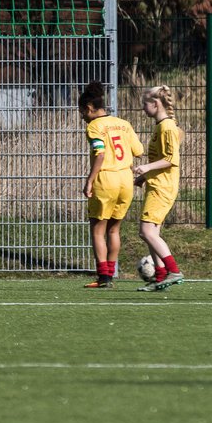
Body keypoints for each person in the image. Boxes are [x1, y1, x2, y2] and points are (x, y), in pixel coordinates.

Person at [78, 80, 144, 288]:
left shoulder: (94, 126)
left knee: (98, 230)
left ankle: (104, 278)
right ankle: (111, 273)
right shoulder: (123, 124)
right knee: (114, 230)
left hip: (106, 179)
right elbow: (139, 150)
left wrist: (89, 180)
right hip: (125, 180)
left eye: (82, 112)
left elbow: (100, 153)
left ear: (89, 108)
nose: (82, 117)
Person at [133, 85, 184, 291]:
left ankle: (173, 271)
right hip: (156, 184)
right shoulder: (161, 125)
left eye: (145, 104)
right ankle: (161, 275)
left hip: (162, 188)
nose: (143, 108)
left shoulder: (167, 127)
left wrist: (146, 167)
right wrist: (144, 177)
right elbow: (161, 157)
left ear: (155, 104)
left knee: (146, 231)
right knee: (150, 232)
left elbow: (171, 159)